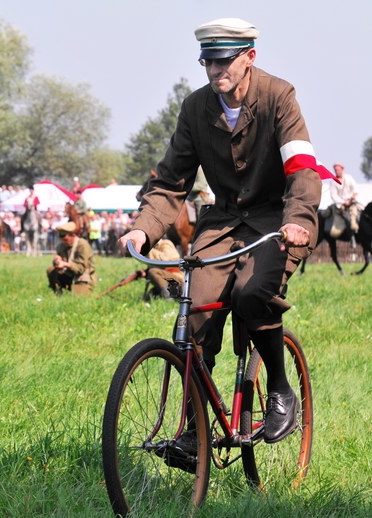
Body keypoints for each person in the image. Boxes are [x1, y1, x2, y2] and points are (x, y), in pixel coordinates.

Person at [117, 18, 334, 447]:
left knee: (252, 294)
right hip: (222, 221)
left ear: (249, 57)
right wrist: (142, 230)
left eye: (224, 61)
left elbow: (302, 168)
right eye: (208, 62)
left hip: (276, 220)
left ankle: (280, 389)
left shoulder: (279, 96)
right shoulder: (195, 108)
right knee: (194, 312)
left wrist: (297, 219)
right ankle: (195, 428)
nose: (215, 71)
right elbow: (171, 181)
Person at [46, 221, 95, 295]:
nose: (63, 241)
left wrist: (66, 264)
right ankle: (58, 292)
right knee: (51, 270)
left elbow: (81, 268)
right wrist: (57, 260)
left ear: (72, 235)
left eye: (65, 239)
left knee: (77, 297)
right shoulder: (62, 246)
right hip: (69, 274)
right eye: (61, 238)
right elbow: (60, 258)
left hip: (83, 277)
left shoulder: (82, 245)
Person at [328, 162, 360, 232]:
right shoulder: (333, 181)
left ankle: (354, 225)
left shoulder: (349, 178)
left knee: (356, 211)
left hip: (351, 202)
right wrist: (343, 202)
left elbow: (355, 188)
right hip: (340, 204)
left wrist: (353, 196)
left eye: (338, 170)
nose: (337, 171)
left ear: (342, 170)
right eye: (335, 170)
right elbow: (333, 195)